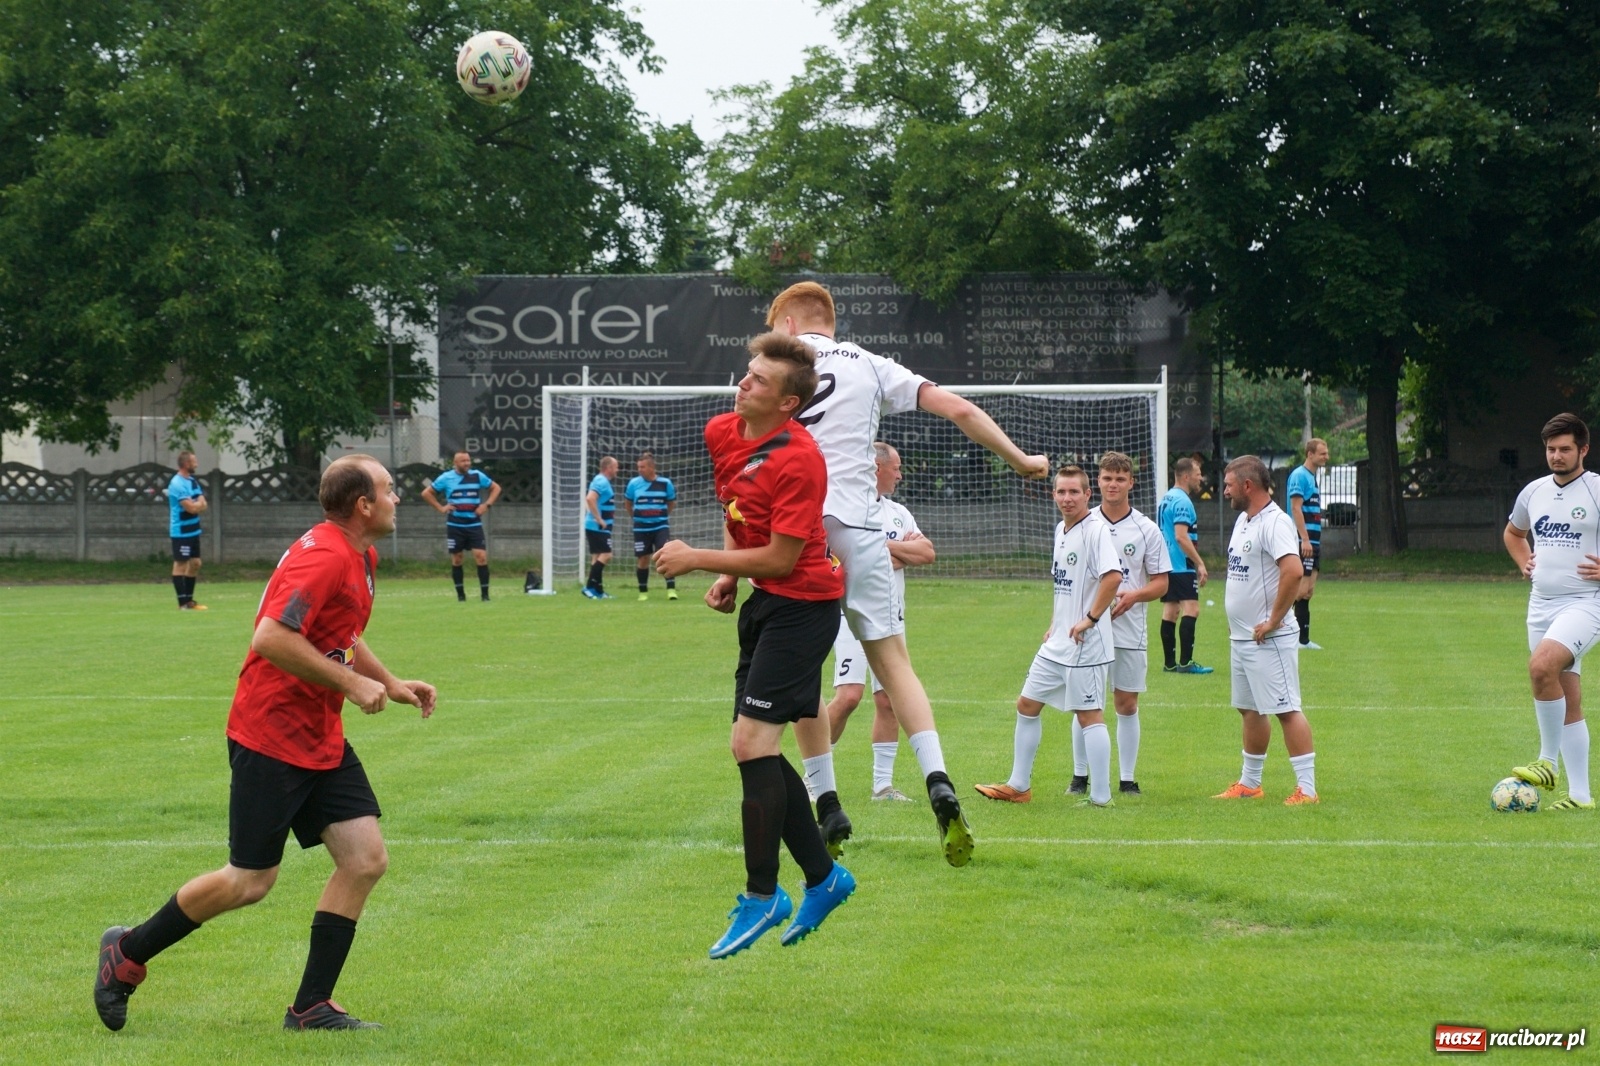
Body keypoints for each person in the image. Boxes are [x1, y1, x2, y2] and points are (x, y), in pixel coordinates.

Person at [95, 456, 437, 1032]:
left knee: (365, 859)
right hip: (271, 735)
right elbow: (272, 637)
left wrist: (391, 683)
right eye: (389, 489)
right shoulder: (328, 555)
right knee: (250, 881)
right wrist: (353, 684)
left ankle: (310, 1008)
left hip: (319, 734)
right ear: (363, 505)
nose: (397, 498)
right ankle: (126, 954)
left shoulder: (358, 555)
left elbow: (343, 632)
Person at [768, 280, 1049, 867]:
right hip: (864, 530)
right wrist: (1022, 460)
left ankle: (826, 803)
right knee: (895, 665)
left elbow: (748, 461)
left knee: (803, 679)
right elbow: (962, 409)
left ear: (790, 326)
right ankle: (939, 782)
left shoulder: (773, 368)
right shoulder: (873, 365)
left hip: (798, 532)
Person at [654, 332, 855, 958]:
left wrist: (696, 559)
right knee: (755, 749)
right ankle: (824, 877)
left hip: (805, 607)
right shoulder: (723, 432)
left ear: (788, 405)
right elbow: (741, 514)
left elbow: (783, 554)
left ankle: (764, 894)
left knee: (751, 742)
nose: (744, 384)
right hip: (769, 603)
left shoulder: (800, 459)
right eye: (747, 373)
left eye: (760, 382)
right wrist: (727, 573)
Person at [974, 466, 1123, 806]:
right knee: (1026, 704)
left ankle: (1101, 797)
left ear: (1088, 495)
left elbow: (1113, 578)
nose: (1067, 498)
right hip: (1058, 641)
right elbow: (1068, 585)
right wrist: (1057, 622)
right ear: (1053, 494)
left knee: (1089, 715)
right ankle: (1019, 786)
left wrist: (1089, 619)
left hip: (1086, 644)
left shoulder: (1095, 531)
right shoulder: (1061, 529)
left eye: (1074, 492)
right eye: (1061, 492)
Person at [825, 442, 936, 802]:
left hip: (891, 617)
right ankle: (814, 780)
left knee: (888, 700)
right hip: (849, 616)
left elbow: (927, 553)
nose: (900, 475)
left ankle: (882, 787)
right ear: (875, 468)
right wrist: (894, 552)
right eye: (897, 468)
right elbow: (838, 560)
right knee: (848, 697)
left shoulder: (898, 513)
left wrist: (877, 551)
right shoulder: (841, 512)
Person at [1502, 412, 1599, 810]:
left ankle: (1546, 762)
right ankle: (1580, 796)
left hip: (1586, 603)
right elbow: (1513, 533)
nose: (1556, 456)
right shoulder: (1534, 492)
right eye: (1550, 449)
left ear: (1583, 450)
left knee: (1542, 666)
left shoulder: (1596, 490)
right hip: (1541, 605)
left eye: (1564, 449)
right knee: (1567, 696)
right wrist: (1524, 561)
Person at [1214, 455, 1320, 804]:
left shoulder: (1275, 522)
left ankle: (1307, 789)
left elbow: (1292, 571)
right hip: (1242, 638)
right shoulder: (1245, 520)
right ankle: (1250, 783)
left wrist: (1274, 619)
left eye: (1229, 484)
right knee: (1250, 709)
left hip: (1267, 638)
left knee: (1286, 709)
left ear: (1248, 486)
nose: (1224, 490)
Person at [1068, 452, 1171, 796]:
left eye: (1120, 478)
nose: (1113, 484)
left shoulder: (1146, 529)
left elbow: (1161, 582)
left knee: (1126, 703)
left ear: (1131, 483)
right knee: (1086, 701)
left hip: (1130, 630)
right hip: (1087, 628)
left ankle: (1127, 779)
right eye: (1107, 478)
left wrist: (1133, 596)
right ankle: (1079, 777)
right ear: (1097, 481)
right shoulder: (1082, 523)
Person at [421, 450, 502, 602]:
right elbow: (426, 493)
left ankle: (485, 596)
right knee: (457, 559)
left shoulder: (477, 475)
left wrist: (486, 505)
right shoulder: (446, 478)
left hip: (474, 523)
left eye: (468, 460)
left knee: (481, 557)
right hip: (455, 524)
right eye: (463, 461)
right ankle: (461, 596)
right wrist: (441, 508)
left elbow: (496, 488)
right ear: (455, 463)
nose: (467, 463)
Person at [1157, 457, 1213, 673]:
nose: (1201, 478)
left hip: (1167, 562)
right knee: (1192, 609)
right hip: (1180, 564)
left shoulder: (1167, 498)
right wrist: (1200, 563)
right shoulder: (1182, 501)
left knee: (1170, 610)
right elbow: (1181, 537)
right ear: (1187, 476)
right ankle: (1186, 663)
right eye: (1198, 474)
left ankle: (1170, 664)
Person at [1287, 438, 1329, 649]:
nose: (1326, 457)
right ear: (1310, 454)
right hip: (1303, 541)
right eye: (1322, 453)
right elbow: (1295, 509)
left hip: (1313, 541)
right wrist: (1304, 538)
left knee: (1308, 591)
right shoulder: (1299, 476)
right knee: (1300, 590)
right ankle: (1282, 628)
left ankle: (1303, 640)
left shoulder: (1312, 477)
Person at [624, 451, 678, 601]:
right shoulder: (633, 484)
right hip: (641, 528)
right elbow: (628, 503)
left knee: (666, 555)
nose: (639, 469)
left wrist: (662, 515)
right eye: (638, 467)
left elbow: (671, 502)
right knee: (643, 559)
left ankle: (671, 590)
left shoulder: (665, 483)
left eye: (642, 467)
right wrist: (635, 516)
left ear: (651, 467)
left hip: (660, 526)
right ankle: (643, 592)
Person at [167, 451, 207, 610]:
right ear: (186, 464)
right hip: (181, 531)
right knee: (180, 564)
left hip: (194, 530)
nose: (196, 464)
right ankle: (182, 603)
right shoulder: (176, 484)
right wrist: (196, 506)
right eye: (194, 461)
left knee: (196, 563)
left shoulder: (192, 481)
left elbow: (203, 503)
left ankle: (190, 601)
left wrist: (197, 505)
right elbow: (190, 508)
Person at [583, 456, 619, 599]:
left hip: (596, 525)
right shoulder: (601, 481)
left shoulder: (601, 481)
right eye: (616, 467)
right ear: (608, 468)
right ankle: (589, 587)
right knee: (607, 554)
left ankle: (598, 591)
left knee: (596, 557)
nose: (617, 470)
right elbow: (590, 498)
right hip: (597, 526)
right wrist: (598, 518)